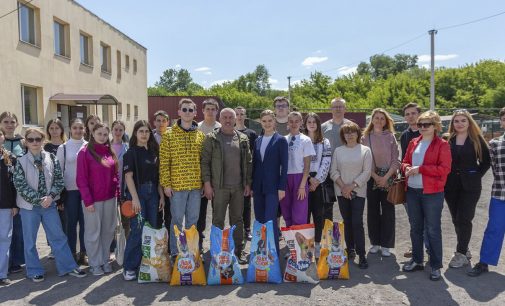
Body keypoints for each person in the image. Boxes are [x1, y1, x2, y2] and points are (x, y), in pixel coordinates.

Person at [13, 128, 86, 282]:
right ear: (26, 142)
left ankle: (67, 266)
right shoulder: (20, 161)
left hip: (50, 205)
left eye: (38, 139)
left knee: (58, 237)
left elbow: (59, 180)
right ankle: (34, 270)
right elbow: (20, 185)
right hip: (29, 208)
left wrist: (51, 197)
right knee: (30, 241)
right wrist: (40, 200)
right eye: (31, 139)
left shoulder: (51, 158)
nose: (34, 142)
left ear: (43, 140)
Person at [401, 111, 451, 281]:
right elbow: (405, 161)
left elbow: (444, 169)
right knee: (415, 229)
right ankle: (417, 260)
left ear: (435, 125)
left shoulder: (442, 145)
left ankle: (435, 266)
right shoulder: (414, 142)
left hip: (432, 193)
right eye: (420, 124)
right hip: (412, 191)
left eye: (426, 124)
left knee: (432, 230)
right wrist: (406, 168)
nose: (422, 127)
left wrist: (421, 169)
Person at [201, 108, 252, 264]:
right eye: (225, 117)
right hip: (219, 187)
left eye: (231, 117)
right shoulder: (211, 138)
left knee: (237, 220)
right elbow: (205, 162)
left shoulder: (243, 138)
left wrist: (248, 183)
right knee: (218, 220)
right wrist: (207, 184)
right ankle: (217, 251)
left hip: (238, 188)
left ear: (236, 119)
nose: (228, 120)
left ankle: (238, 250)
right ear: (220, 119)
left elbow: (248, 162)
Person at [160, 98, 205, 258]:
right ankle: (175, 252)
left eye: (190, 110)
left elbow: (203, 161)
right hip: (177, 187)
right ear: (178, 112)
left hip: (195, 186)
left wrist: (204, 184)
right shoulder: (169, 134)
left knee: (193, 222)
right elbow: (164, 162)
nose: (187, 113)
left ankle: (192, 252)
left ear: (195, 113)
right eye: (184, 109)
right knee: (177, 221)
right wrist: (166, 184)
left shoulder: (200, 136)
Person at [445, 110, 490, 268]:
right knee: (456, 219)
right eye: (456, 121)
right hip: (450, 186)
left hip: (470, 187)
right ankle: (465, 248)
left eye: (463, 120)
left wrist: (475, 176)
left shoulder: (477, 139)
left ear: (469, 122)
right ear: (453, 123)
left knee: (464, 218)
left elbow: (486, 162)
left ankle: (461, 253)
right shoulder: (448, 139)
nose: (460, 123)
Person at [122, 120, 165, 281]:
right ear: (135, 134)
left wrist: (161, 196)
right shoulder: (131, 153)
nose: (144, 134)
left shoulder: (155, 151)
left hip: (153, 193)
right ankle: (129, 267)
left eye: (147, 131)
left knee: (153, 228)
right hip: (138, 193)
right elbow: (128, 177)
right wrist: (135, 199)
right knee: (138, 229)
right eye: (141, 131)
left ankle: (149, 265)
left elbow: (158, 177)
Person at [76, 122, 119, 276]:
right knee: (93, 233)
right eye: (99, 133)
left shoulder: (109, 150)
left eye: (105, 134)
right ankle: (95, 263)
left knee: (108, 231)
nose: (102, 137)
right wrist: (87, 201)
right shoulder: (84, 152)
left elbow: (114, 175)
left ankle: (104, 260)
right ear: (92, 133)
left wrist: (117, 194)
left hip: (109, 198)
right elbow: (81, 179)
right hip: (92, 201)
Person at [467, 107, 505, 277]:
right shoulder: (494, 144)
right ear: (501, 122)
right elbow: (482, 163)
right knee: (494, 229)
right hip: (499, 195)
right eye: (504, 119)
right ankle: (484, 263)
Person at [331, 122, 372, 269]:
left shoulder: (365, 150)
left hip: (358, 192)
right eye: (346, 132)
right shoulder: (338, 151)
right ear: (343, 136)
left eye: (352, 132)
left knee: (357, 222)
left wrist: (352, 186)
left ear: (358, 133)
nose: (349, 135)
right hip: (342, 192)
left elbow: (367, 172)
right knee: (347, 221)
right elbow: (333, 171)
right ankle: (350, 250)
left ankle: (362, 255)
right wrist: (343, 187)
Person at [362, 108, 400, 257]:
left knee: (388, 211)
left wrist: (385, 177)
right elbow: (364, 160)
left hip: (388, 177)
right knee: (372, 211)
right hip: (371, 177)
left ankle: (386, 245)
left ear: (386, 121)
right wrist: (375, 176)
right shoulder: (365, 137)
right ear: (372, 120)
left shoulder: (390, 136)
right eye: (376, 118)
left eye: (382, 118)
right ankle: (375, 243)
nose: (379, 120)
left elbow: (395, 160)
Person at [252, 110, 288, 253]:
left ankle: (273, 253)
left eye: (269, 120)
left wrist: (282, 187)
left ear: (274, 122)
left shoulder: (280, 140)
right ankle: (261, 252)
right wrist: (252, 185)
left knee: (270, 219)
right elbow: (255, 164)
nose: (267, 123)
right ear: (261, 122)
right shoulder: (257, 140)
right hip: (258, 186)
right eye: (264, 121)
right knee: (260, 219)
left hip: (273, 187)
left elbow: (284, 166)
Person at [56, 119, 88, 265]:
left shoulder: (89, 146)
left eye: (81, 128)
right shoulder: (63, 148)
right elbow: (58, 172)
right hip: (70, 191)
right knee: (71, 224)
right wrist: (60, 197)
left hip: (86, 190)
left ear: (85, 130)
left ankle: (84, 253)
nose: (78, 130)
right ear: (70, 129)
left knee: (85, 223)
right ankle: (71, 254)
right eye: (75, 128)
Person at [303, 113, 331, 258]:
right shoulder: (301, 140)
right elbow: (298, 162)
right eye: (309, 121)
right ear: (305, 124)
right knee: (304, 215)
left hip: (319, 183)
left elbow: (326, 162)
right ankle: (306, 246)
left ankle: (319, 244)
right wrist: (308, 179)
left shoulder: (324, 142)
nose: (312, 124)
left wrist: (316, 180)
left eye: (314, 122)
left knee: (318, 215)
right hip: (303, 181)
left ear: (318, 124)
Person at [0, 112, 25, 275]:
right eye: (6, 122)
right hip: (4, 192)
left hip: (18, 190)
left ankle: (16, 260)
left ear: (16, 124)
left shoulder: (23, 141)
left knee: (17, 229)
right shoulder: (2, 139)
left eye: (12, 122)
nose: (9, 124)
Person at [280, 112, 315, 227]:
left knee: (299, 212)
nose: (294, 124)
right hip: (285, 178)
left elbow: (307, 165)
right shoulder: (283, 140)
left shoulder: (306, 140)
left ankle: (299, 243)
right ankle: (291, 241)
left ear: (301, 123)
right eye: (291, 121)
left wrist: (302, 185)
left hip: (300, 178)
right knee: (286, 210)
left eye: (297, 121)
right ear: (288, 123)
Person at [197, 98, 222, 252]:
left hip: (218, 175)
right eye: (208, 109)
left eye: (213, 109)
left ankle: (216, 242)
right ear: (203, 111)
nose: (210, 111)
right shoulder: (197, 127)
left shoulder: (221, 127)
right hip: (199, 175)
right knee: (200, 211)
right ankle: (198, 240)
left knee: (218, 211)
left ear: (217, 111)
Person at [321, 98, 352, 221]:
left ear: (345, 109)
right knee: (327, 205)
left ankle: (349, 234)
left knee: (346, 203)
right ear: (330, 109)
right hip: (328, 170)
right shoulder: (323, 127)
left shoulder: (351, 126)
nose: (338, 109)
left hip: (345, 170)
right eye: (335, 106)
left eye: (340, 106)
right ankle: (327, 235)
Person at [399, 102, 422, 258]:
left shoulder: (428, 132)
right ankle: (416, 248)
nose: (410, 116)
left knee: (428, 219)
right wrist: (405, 170)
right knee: (413, 218)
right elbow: (403, 160)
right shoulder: (405, 135)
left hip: (427, 183)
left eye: (413, 113)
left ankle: (428, 248)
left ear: (419, 114)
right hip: (409, 183)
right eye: (407, 114)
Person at [234, 106, 257, 241]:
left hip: (246, 174)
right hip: (233, 175)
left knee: (246, 204)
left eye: (242, 114)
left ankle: (247, 229)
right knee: (234, 205)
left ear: (245, 116)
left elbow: (255, 156)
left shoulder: (252, 134)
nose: (239, 116)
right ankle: (236, 229)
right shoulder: (229, 132)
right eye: (237, 114)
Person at [44, 119, 67, 239]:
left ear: (61, 130)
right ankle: (52, 246)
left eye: (57, 128)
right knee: (51, 221)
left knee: (64, 219)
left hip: (65, 187)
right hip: (50, 189)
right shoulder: (45, 147)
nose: (54, 131)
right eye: (51, 128)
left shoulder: (66, 146)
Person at [0, 131, 17, 285]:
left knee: (4, 240)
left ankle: (1, 274)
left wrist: (14, 204)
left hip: (5, 206)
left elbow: (13, 184)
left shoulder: (10, 158)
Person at [152, 110, 171, 240]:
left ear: (167, 122)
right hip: (154, 180)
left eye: (163, 121)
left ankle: (170, 244)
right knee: (156, 213)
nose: (161, 123)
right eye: (158, 120)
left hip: (170, 181)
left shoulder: (172, 137)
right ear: (154, 122)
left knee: (170, 214)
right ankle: (157, 244)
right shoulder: (150, 138)